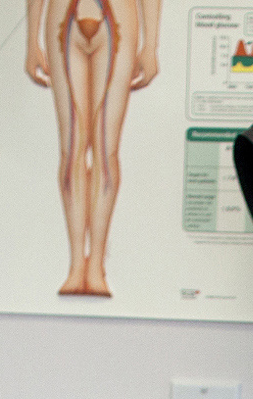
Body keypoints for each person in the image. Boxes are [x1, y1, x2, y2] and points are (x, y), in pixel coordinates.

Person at [28, 0, 163, 297]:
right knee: (71, 148)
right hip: (65, 16)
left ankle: (96, 264)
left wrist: (151, 45)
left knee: (106, 149)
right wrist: (31, 41)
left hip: (116, 18)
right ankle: (77, 264)